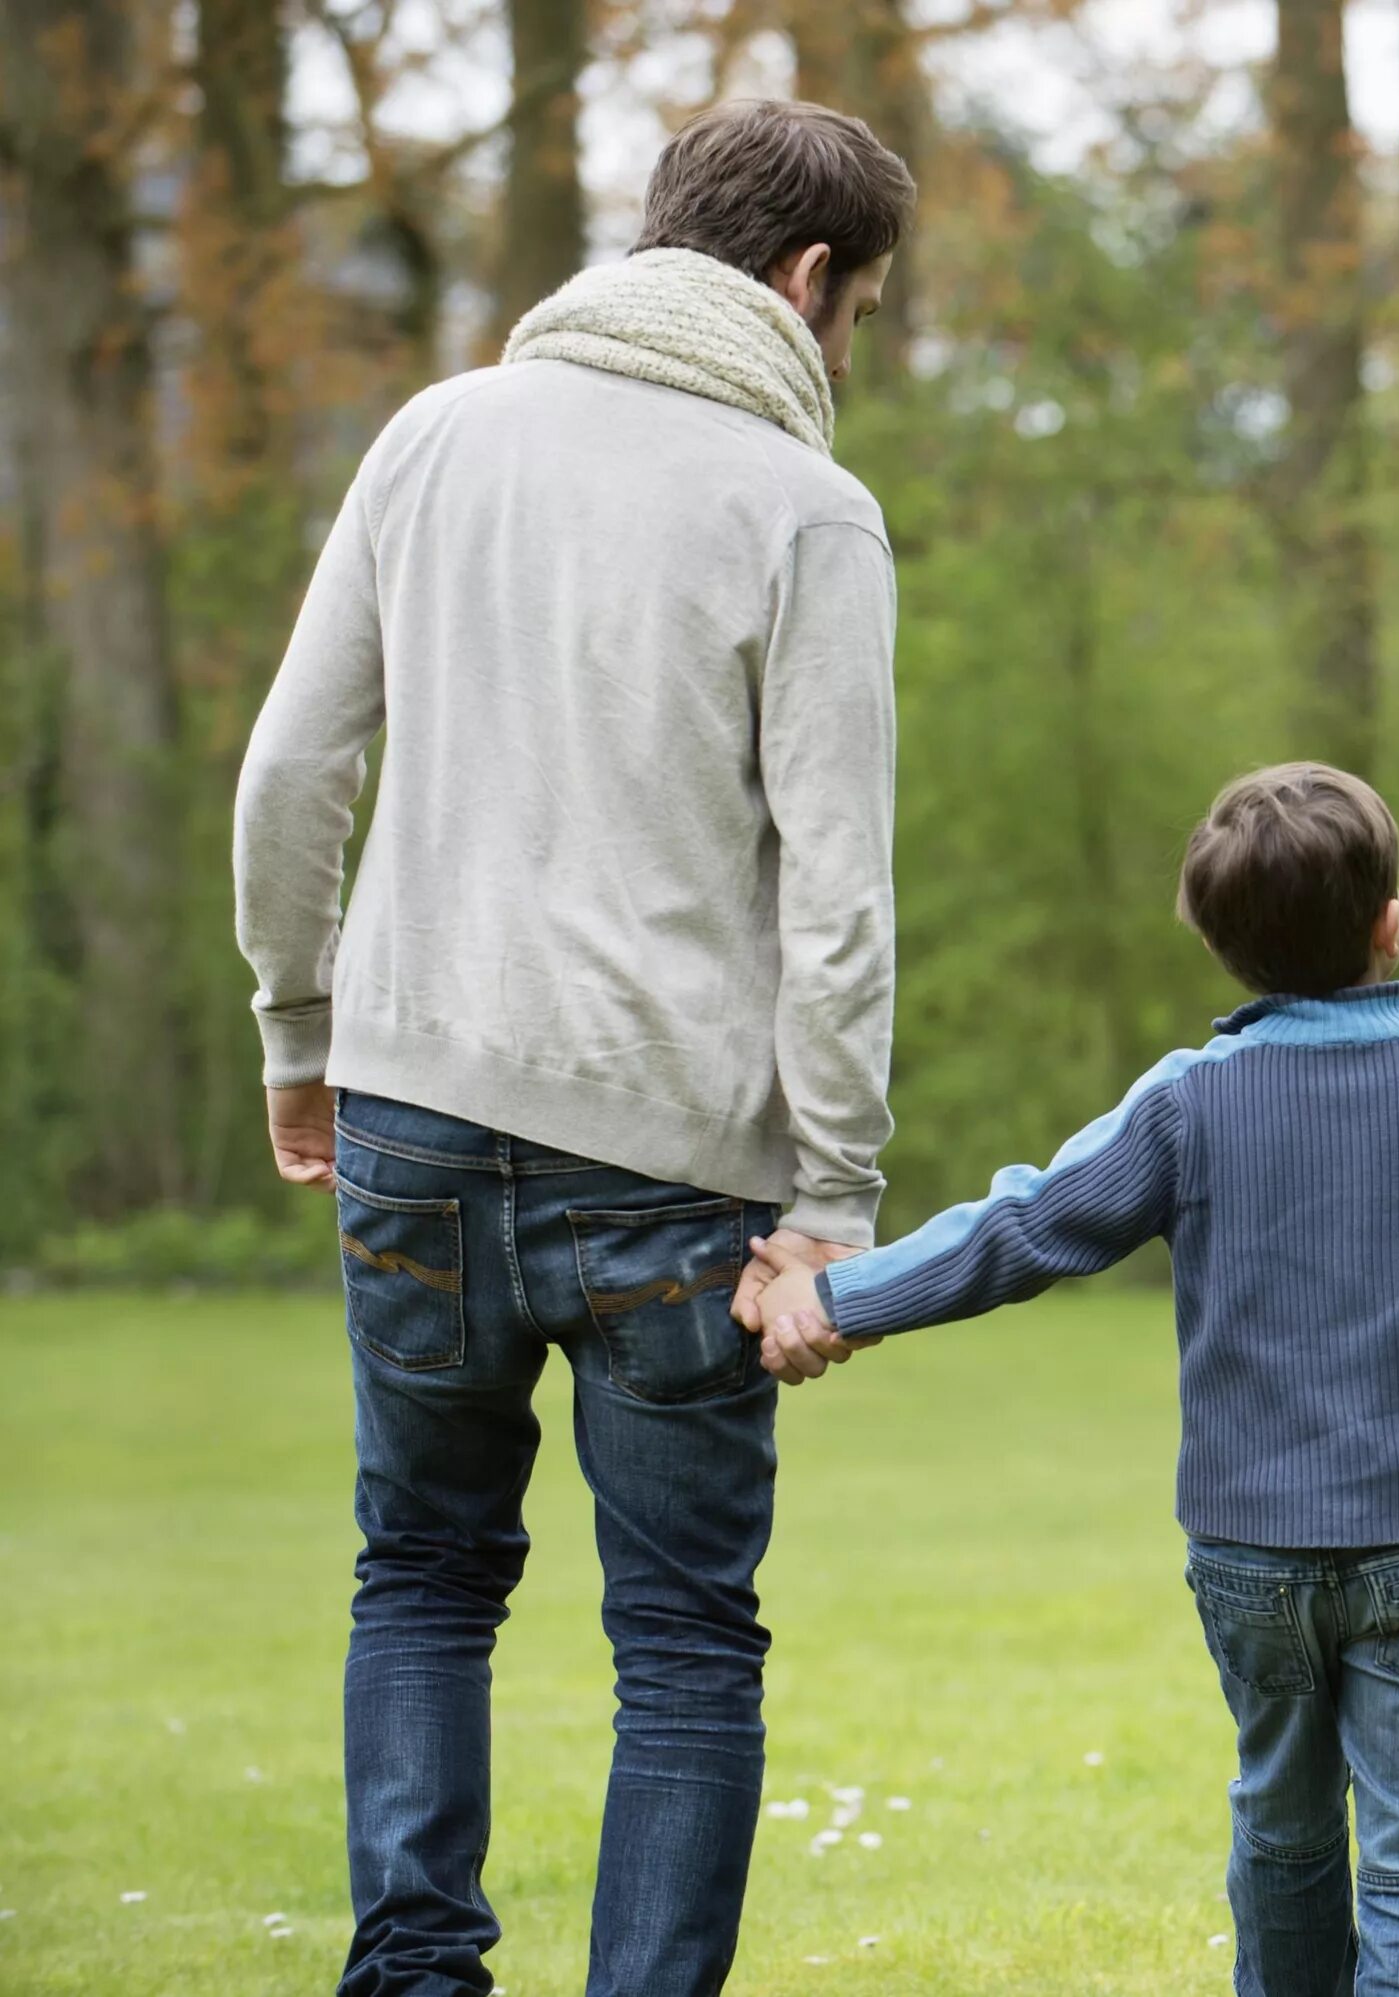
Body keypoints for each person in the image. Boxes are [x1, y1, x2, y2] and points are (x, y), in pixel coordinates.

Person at [230, 98, 916, 1997]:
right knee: (686, 1637)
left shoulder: (436, 436)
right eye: (857, 313)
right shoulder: (804, 510)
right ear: (805, 279)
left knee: (423, 1576)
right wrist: (834, 1196)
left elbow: (294, 771)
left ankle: (414, 1975)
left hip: (416, 1114)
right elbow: (839, 898)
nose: (846, 353)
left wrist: (301, 1024)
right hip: (679, 1167)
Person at [749, 762, 1399, 1997]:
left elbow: (1021, 1226)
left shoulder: (1188, 1101)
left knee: (1285, 1827)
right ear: (1389, 922)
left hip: (1248, 1547)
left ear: (1218, 945)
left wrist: (838, 1292)